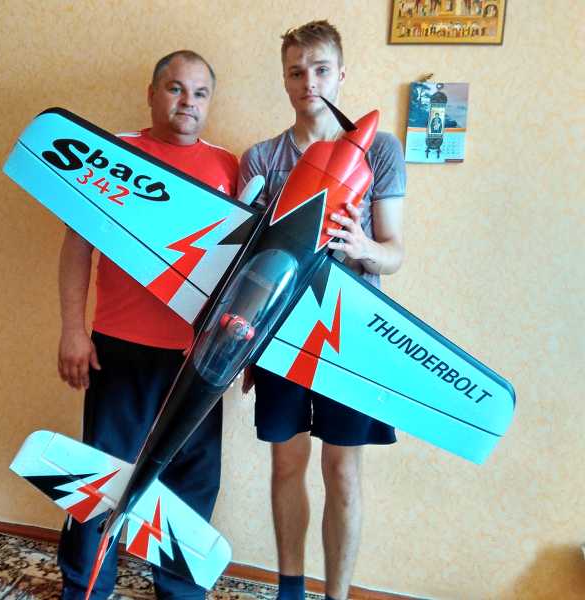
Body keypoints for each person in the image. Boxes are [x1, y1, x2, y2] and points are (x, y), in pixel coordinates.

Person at [56, 50, 239, 600]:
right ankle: (85, 589)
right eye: (176, 89)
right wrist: (73, 330)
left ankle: (179, 594)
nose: (188, 103)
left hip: (198, 359)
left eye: (200, 93)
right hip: (121, 348)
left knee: (191, 486)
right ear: (152, 93)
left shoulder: (229, 166)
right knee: (101, 480)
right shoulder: (111, 154)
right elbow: (76, 247)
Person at [238, 20, 406, 600]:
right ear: (284, 79)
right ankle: (290, 589)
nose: (308, 81)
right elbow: (245, 262)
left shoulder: (380, 149)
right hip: (280, 332)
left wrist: (363, 248)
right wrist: (242, 342)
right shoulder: (260, 158)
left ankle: (335, 595)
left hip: (352, 334)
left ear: (341, 74)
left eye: (320, 69)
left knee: (342, 471)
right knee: (286, 465)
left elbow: (395, 253)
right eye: (296, 71)